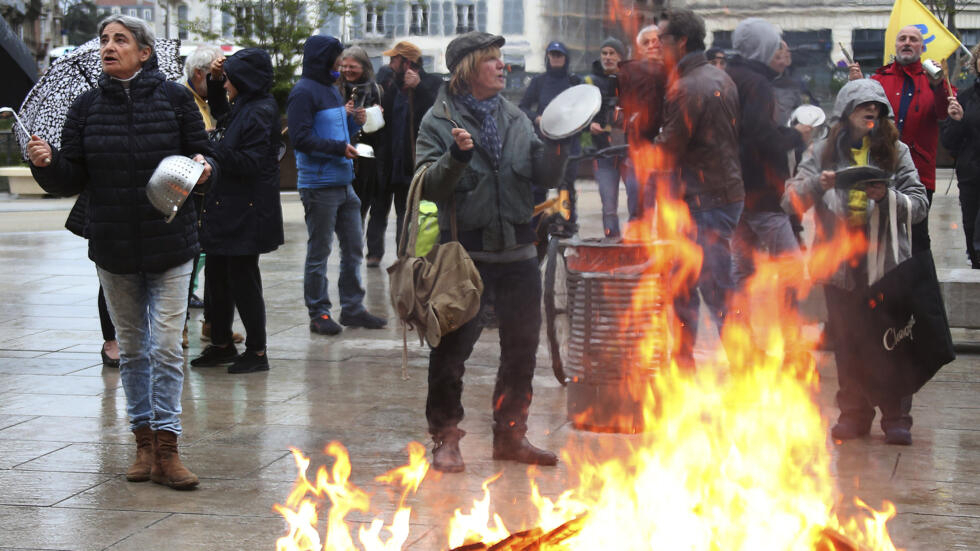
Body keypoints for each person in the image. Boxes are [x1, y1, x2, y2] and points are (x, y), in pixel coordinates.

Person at [27, 14, 215, 489]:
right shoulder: (86, 106)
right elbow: (71, 178)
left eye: (120, 40)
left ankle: (170, 449)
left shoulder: (175, 99)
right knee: (132, 351)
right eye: (104, 39)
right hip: (111, 243)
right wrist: (47, 164)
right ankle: (143, 445)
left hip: (172, 240)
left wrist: (204, 165)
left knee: (167, 347)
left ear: (144, 52)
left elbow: (203, 153)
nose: (109, 46)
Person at [415, 31, 568, 473]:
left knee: (521, 349)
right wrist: (456, 157)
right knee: (451, 353)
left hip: (520, 252)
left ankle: (511, 435)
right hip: (467, 257)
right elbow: (427, 187)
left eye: (503, 60)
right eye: (493, 60)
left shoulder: (516, 117)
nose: (504, 66)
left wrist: (557, 145)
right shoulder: (437, 122)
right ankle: (445, 438)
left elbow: (541, 174)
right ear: (468, 68)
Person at [782, 79, 929, 445]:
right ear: (845, 113)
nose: (872, 112)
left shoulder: (898, 152)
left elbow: (920, 206)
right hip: (840, 263)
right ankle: (853, 414)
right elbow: (791, 201)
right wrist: (821, 183)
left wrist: (886, 196)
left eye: (878, 108)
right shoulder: (821, 152)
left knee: (891, 341)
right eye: (865, 106)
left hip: (887, 263)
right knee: (848, 343)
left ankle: (897, 417)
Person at [654, 8, 743, 370]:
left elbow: (670, 147)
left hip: (703, 199)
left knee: (705, 286)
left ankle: (733, 363)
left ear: (682, 42)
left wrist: (646, 148)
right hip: (720, 193)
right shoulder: (719, 76)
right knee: (700, 283)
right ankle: (688, 359)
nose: (658, 46)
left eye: (662, 39)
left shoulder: (687, 86)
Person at [189, 48, 284, 374]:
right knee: (216, 276)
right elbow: (222, 113)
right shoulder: (247, 105)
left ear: (244, 79)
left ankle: (257, 352)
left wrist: (212, 148)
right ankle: (221, 343)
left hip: (248, 211)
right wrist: (215, 81)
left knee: (243, 279)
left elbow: (251, 162)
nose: (226, 84)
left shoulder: (260, 111)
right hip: (229, 205)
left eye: (229, 79)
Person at [287, 34, 386, 336]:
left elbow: (334, 128)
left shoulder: (331, 90)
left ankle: (353, 308)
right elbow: (299, 138)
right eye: (336, 60)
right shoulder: (303, 93)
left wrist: (354, 121)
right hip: (319, 185)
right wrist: (337, 148)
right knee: (319, 251)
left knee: (354, 248)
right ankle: (319, 313)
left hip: (345, 182)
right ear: (321, 60)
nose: (340, 66)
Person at [848, 25, 953, 251]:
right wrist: (855, 87)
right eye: (902, 38)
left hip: (919, 172)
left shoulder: (934, 81)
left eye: (913, 39)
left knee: (918, 236)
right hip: (878, 170)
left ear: (922, 47)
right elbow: (857, 116)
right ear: (895, 45)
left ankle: (921, 285)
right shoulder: (878, 79)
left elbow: (944, 113)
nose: (907, 42)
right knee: (879, 235)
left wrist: (938, 87)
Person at [724, 19, 810, 293]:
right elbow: (760, 137)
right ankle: (790, 332)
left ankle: (737, 328)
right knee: (791, 268)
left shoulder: (728, 74)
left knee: (743, 269)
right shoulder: (756, 83)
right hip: (762, 191)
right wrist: (796, 135)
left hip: (735, 190)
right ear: (762, 47)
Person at [370, 41, 442, 267]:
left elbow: (438, 110)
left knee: (406, 211)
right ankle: (373, 253)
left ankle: (404, 253)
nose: (391, 63)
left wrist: (419, 87)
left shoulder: (432, 82)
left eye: (394, 59)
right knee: (378, 209)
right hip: (388, 158)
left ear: (407, 61)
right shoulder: (391, 84)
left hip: (410, 160)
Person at [519, 40, 582, 221]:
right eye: (552, 55)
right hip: (543, 142)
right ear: (548, 57)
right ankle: (535, 225)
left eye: (559, 55)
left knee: (566, 186)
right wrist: (537, 119)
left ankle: (567, 224)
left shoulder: (574, 81)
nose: (555, 58)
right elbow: (523, 107)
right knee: (539, 187)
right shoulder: (538, 82)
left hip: (570, 143)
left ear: (565, 58)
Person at [616, 24, 668, 220]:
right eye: (647, 42)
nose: (653, 45)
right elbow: (617, 110)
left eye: (657, 40)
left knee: (669, 217)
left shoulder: (677, 72)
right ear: (639, 48)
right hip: (640, 153)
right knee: (641, 213)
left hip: (670, 155)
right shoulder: (629, 74)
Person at [585, 37, 634, 239]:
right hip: (604, 152)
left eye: (612, 53)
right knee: (609, 205)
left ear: (621, 56)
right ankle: (612, 241)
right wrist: (589, 124)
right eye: (604, 53)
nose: (607, 57)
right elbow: (581, 111)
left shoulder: (632, 80)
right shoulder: (590, 82)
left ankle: (636, 240)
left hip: (629, 152)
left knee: (637, 200)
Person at [940, 42, 980, 268]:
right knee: (970, 223)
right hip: (971, 173)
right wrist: (957, 121)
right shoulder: (964, 98)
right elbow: (949, 141)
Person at [338, 46, 384, 224]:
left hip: (366, 155)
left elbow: (381, 129)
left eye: (352, 66)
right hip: (340, 152)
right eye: (344, 66)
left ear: (364, 67)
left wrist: (373, 116)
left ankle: (355, 243)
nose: (347, 70)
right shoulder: (335, 89)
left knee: (360, 206)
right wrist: (342, 112)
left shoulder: (376, 90)